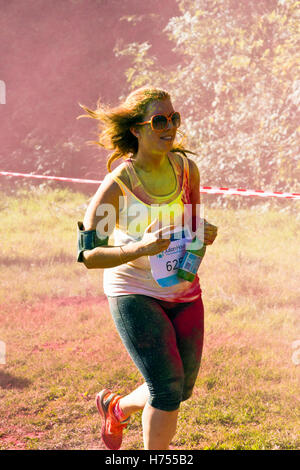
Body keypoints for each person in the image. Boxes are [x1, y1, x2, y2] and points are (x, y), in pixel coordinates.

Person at [77, 87, 218, 450]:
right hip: (133, 291)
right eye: (159, 120)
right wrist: (139, 248)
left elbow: (192, 227)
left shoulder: (186, 169)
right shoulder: (119, 185)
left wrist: (202, 234)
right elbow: (89, 255)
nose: (169, 127)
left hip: (182, 287)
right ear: (137, 129)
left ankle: (117, 407)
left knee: (182, 386)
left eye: (174, 118)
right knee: (166, 388)